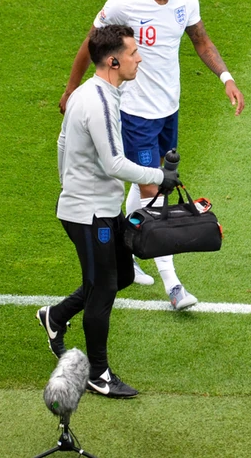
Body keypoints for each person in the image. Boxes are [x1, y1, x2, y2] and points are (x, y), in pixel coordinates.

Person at [58, 0, 244, 310]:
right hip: (135, 112)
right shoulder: (124, 3)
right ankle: (173, 285)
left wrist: (226, 77)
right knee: (151, 187)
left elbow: (201, 40)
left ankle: (128, 251)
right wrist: (71, 87)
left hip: (168, 108)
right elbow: (91, 43)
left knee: (143, 181)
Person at [37, 24, 181, 398]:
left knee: (122, 274)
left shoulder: (91, 93)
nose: (140, 59)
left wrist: (69, 183)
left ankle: (55, 316)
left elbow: (62, 142)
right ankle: (97, 375)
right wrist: (160, 177)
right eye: (133, 53)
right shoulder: (100, 102)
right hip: (90, 214)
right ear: (113, 61)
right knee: (103, 289)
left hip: (96, 207)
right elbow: (115, 163)